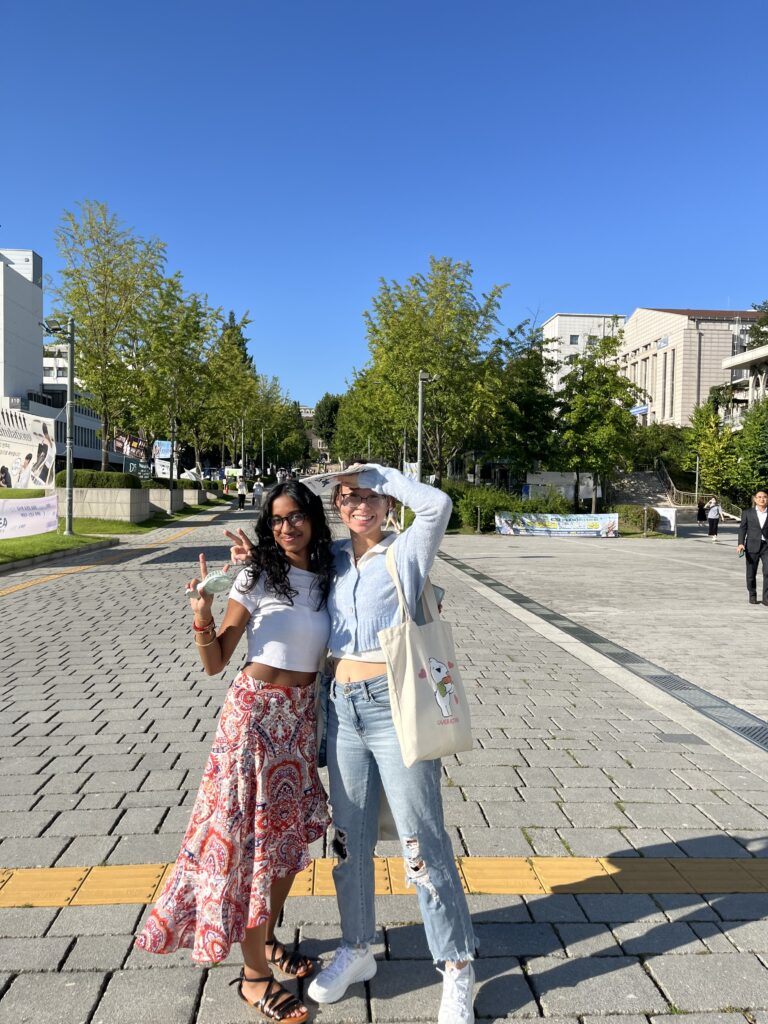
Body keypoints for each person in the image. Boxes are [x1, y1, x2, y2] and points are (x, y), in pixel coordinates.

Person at [228, 464, 477, 1022]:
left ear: (388, 502)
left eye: (370, 496)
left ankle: (457, 966)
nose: (358, 504)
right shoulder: (333, 560)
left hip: (395, 710)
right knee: (348, 840)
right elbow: (284, 570)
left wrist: (382, 474)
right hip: (341, 713)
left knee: (422, 844)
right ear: (336, 508)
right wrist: (250, 559)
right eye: (348, 496)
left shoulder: (406, 551)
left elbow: (436, 504)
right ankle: (357, 947)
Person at [136, 480, 334, 1023]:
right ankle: (253, 979)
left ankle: (265, 940)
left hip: (298, 722)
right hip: (253, 720)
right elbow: (216, 659)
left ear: (313, 519)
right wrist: (202, 611)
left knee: (290, 844)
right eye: (275, 519)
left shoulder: (328, 576)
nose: (286, 526)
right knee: (255, 850)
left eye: (295, 516)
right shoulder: (256, 574)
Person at [737, 489, 768, 605]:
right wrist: (740, 543)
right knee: (751, 573)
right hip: (751, 546)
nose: (762, 499)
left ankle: (766, 598)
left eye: (764, 497)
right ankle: (752, 594)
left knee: (767, 572)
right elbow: (742, 528)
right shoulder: (747, 513)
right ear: (755, 499)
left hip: (766, 547)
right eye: (759, 497)